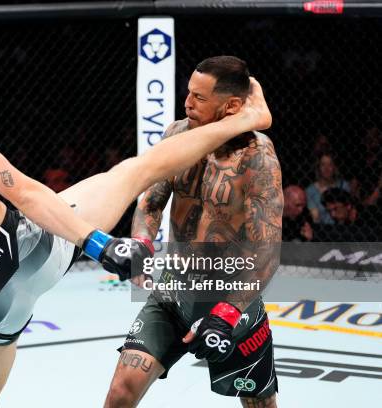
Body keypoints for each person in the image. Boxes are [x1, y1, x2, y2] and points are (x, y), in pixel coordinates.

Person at [0, 45, 272, 408]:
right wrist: (96, 244)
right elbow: (25, 193)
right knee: (137, 170)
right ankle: (250, 116)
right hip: (30, 250)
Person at [105, 56, 283, 408]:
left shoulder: (256, 157)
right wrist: (141, 242)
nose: (188, 103)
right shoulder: (177, 134)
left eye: (200, 98)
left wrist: (228, 312)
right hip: (175, 287)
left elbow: (267, 252)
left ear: (231, 105)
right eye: (189, 93)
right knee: (121, 391)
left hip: (230, 292)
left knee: (258, 403)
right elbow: (151, 201)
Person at [306, 153, 350, 224]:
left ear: (334, 167)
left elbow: (348, 213)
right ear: (318, 167)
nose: (326, 168)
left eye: (330, 164)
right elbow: (315, 218)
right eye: (323, 164)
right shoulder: (310, 191)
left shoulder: (343, 186)